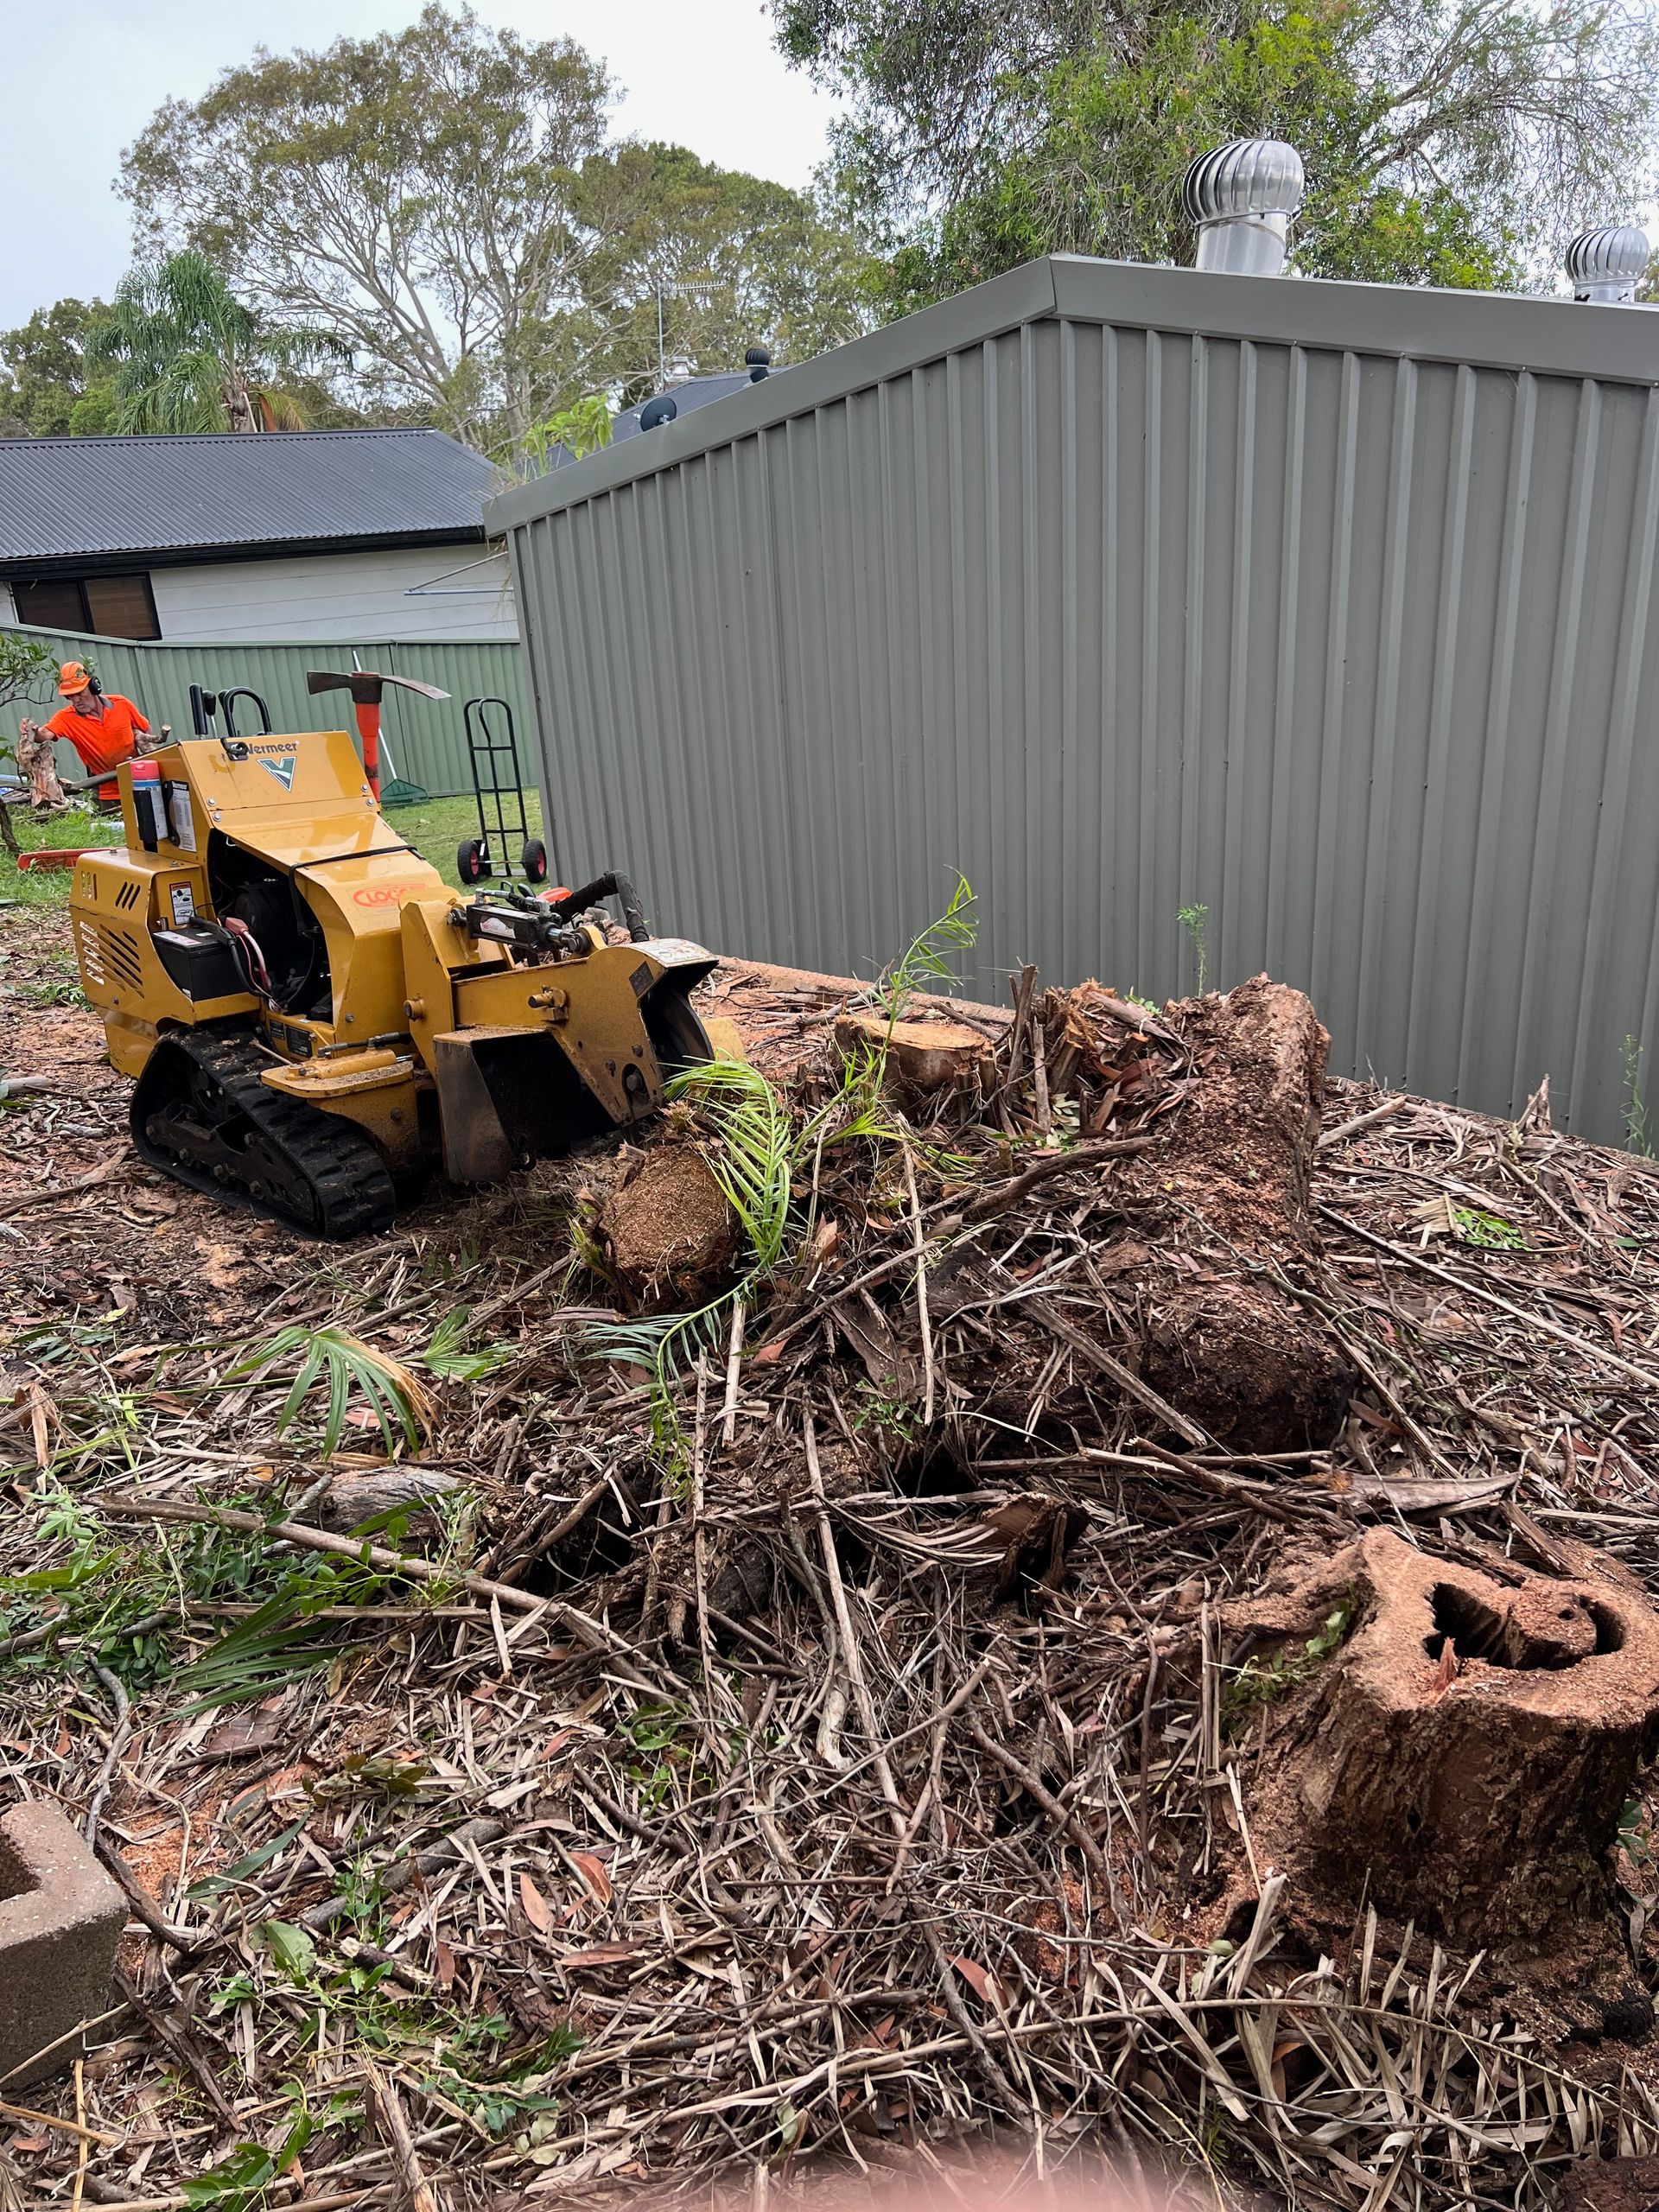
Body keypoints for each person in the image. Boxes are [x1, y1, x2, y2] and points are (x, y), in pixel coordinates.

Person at [24, 662, 157, 804]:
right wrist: (33, 730)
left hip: (140, 785)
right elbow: (44, 734)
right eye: (70, 696)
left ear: (93, 687)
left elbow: (147, 732)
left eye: (79, 693)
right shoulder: (66, 718)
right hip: (106, 795)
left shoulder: (121, 704)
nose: (76, 700)